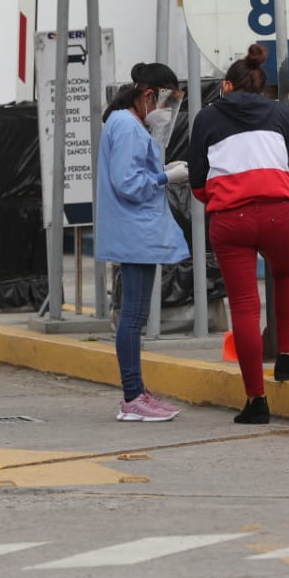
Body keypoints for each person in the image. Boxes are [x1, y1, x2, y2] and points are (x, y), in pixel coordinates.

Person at [187, 44, 289, 424]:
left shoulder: (206, 118)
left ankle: (256, 400)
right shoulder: (280, 113)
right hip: (278, 216)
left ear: (227, 85)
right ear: (261, 87)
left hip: (230, 221)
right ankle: (285, 358)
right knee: (286, 276)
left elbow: (198, 185)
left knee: (245, 307)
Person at [96, 64, 191, 421]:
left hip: (137, 231)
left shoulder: (128, 124)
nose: (169, 111)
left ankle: (137, 392)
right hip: (134, 231)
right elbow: (128, 183)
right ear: (149, 95)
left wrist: (164, 174)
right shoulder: (126, 125)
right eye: (168, 101)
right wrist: (167, 176)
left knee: (134, 316)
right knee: (132, 317)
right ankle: (132, 397)